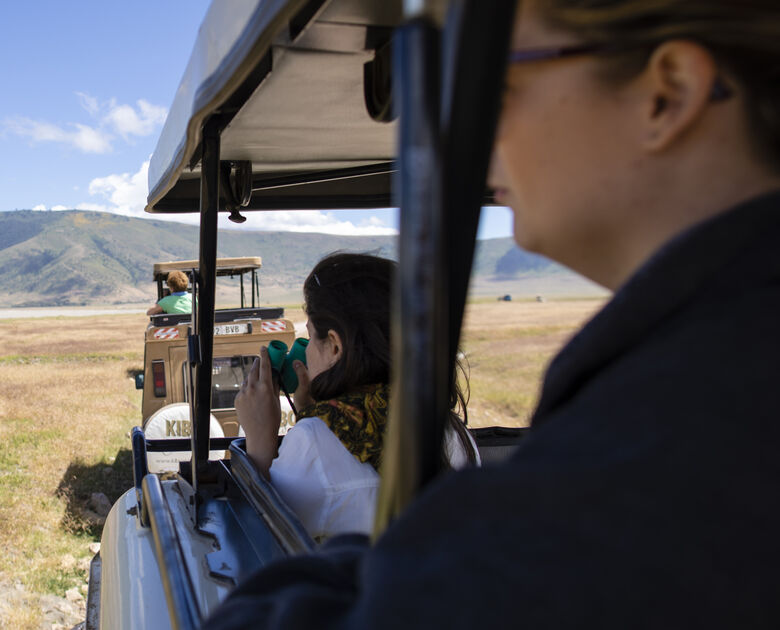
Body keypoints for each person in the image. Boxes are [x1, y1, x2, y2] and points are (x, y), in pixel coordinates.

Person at [204, 1, 780, 628]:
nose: (469, 134)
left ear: (667, 95)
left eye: (498, 84)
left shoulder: (698, 397)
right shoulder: (701, 350)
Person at [236, 253, 475, 540]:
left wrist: (259, 447)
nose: (307, 350)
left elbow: (264, 539)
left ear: (335, 346)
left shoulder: (312, 441)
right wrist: (316, 412)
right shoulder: (453, 430)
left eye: (311, 336)